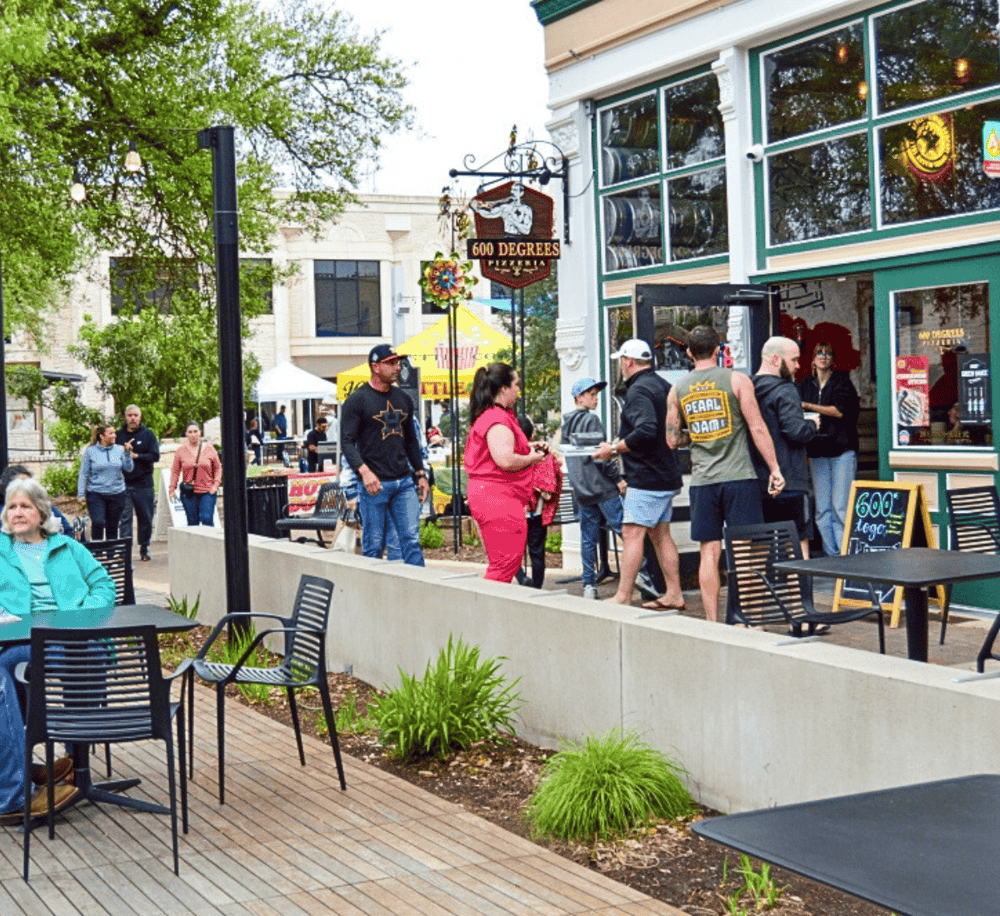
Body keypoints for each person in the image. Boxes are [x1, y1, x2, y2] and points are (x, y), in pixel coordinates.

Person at [0, 478, 117, 825]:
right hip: (19, 644)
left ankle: (74, 761)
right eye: (12, 507)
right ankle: (14, 787)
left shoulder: (68, 547)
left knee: (92, 657)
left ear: (41, 512)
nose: (17, 513)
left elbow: (104, 587)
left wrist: (79, 617)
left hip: (70, 638)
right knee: (3, 677)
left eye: (25, 506)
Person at [667, 326, 785, 622]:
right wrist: (775, 468)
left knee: (709, 552)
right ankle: (753, 622)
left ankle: (712, 623)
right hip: (739, 478)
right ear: (719, 350)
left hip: (704, 481)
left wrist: (695, 434)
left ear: (690, 353)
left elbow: (672, 440)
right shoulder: (737, 380)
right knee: (745, 554)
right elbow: (757, 427)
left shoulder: (677, 389)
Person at [592, 341, 685, 609]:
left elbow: (645, 429)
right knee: (660, 535)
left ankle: (623, 596)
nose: (621, 365)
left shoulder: (638, 390)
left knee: (631, 533)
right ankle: (675, 593)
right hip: (666, 472)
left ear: (628, 361)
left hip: (647, 475)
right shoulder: (663, 385)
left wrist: (615, 448)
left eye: (621, 360)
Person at [561, 377, 659, 601]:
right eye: (592, 394)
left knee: (588, 539)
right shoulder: (591, 421)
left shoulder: (566, 422)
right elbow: (601, 457)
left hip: (582, 490)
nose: (596, 398)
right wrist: (618, 480)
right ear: (579, 397)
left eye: (596, 394)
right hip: (603, 489)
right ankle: (644, 576)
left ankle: (589, 586)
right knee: (626, 533)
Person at [340, 344, 428, 566]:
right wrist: (364, 472)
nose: (397, 367)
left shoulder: (404, 399)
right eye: (391, 363)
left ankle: (421, 594)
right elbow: (347, 442)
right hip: (374, 485)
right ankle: (372, 599)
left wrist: (420, 473)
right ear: (375, 367)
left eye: (398, 362)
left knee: (411, 541)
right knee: (373, 546)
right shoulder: (357, 400)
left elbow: (411, 441)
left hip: (403, 482)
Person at [465, 363, 549, 583]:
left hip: (493, 496)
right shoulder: (497, 419)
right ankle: (487, 613)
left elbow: (503, 453)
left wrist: (529, 449)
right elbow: (505, 459)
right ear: (503, 389)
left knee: (504, 563)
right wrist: (532, 458)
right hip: (497, 498)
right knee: (505, 564)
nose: (518, 390)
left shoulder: (493, 416)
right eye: (516, 384)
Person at [751, 337, 819, 556]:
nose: (798, 366)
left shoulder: (748, 389)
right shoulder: (786, 390)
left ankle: (763, 590)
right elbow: (795, 431)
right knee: (796, 543)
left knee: (760, 546)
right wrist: (811, 424)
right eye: (794, 360)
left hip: (756, 480)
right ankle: (799, 591)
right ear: (774, 359)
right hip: (789, 479)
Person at [799, 342, 860, 557]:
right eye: (819, 353)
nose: (823, 357)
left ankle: (845, 556)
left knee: (840, 507)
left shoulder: (842, 381)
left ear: (833, 359)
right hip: (817, 451)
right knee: (822, 509)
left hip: (842, 450)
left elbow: (839, 411)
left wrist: (808, 406)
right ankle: (831, 554)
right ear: (813, 358)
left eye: (828, 353)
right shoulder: (806, 383)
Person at [515, 415, 563, 589]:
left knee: (510, 550)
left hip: (515, 512)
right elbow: (552, 486)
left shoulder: (509, 457)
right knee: (537, 552)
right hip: (537, 513)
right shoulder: (544, 456)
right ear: (532, 436)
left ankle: (521, 577)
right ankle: (536, 588)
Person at [115, 404, 160, 561]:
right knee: (124, 519)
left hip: (144, 484)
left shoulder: (148, 435)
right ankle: (125, 551)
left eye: (135, 415)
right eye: (129, 415)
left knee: (145, 518)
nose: (132, 418)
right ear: (125, 417)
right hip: (124, 485)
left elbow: (155, 456)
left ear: (140, 417)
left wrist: (136, 456)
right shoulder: (118, 436)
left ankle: (144, 548)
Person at [77, 422, 134, 540]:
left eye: (114, 433)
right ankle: (97, 554)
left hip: (117, 493)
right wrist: (81, 494)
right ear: (102, 436)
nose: (114, 436)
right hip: (96, 494)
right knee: (98, 523)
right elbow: (83, 473)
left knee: (112, 527)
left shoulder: (119, 450)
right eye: (111, 433)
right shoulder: (90, 451)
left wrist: (128, 453)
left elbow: (129, 469)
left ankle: (110, 556)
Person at [168, 421, 222, 527]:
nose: (193, 434)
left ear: (200, 433)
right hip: (189, 492)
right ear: (186, 434)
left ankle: (210, 542)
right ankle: (195, 544)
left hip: (207, 490)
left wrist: (215, 486)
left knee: (206, 518)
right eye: (190, 432)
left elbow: (218, 468)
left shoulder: (209, 449)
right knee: (192, 523)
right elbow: (175, 471)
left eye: (195, 431)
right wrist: (172, 489)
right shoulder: (180, 451)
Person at [0, 465, 73, 536]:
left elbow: (67, 529)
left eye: (29, 482)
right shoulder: (3, 511)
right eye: (21, 483)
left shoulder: (43, 505)